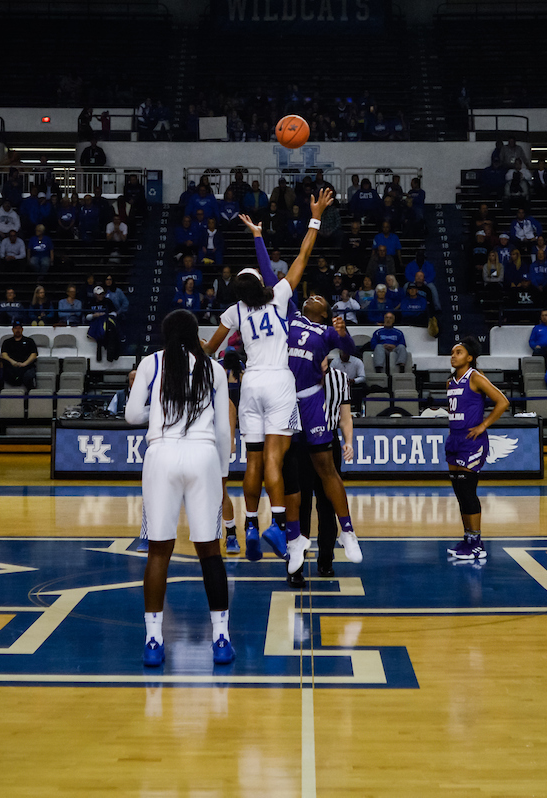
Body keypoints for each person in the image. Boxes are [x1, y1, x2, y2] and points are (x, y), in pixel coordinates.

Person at [203, 190, 333, 565]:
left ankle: (248, 527)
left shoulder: (234, 312)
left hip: (249, 385)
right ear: (259, 283)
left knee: (253, 461)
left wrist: (186, 343)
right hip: (278, 383)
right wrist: (315, 217)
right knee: (276, 459)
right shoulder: (277, 297)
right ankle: (277, 524)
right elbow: (303, 256)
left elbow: (209, 350)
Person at [126, 309, 233, 667]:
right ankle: (221, 638)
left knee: (159, 552)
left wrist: (155, 412)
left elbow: (130, 415)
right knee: (210, 552)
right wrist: (222, 471)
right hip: (203, 454)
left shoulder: (150, 364)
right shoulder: (213, 368)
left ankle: (153, 641)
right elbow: (222, 430)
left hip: (162, 455)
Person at [285, 292, 364, 574]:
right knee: (299, 500)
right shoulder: (294, 325)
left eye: (319, 298)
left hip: (325, 437)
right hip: (297, 433)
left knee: (327, 505)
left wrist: (349, 441)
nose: (313, 295)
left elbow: (345, 413)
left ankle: (327, 560)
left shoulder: (340, 377)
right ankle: (294, 563)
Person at [445, 337, 510, 561]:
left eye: (459, 352)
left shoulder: (476, 377)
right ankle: (467, 538)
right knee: (459, 493)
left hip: (471, 441)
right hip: (454, 440)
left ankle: (477, 543)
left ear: (470, 357)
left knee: (468, 491)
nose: (453, 356)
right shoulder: (451, 381)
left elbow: (502, 402)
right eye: (453, 352)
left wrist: (483, 425)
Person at [0, 322, 38, 389]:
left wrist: (24, 364)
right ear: (12, 330)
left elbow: (34, 355)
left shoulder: (29, 341)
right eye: (16, 328)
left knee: (29, 376)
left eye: (19, 328)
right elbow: (4, 355)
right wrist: (13, 362)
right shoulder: (7, 342)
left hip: (27, 367)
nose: (17, 330)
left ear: (22, 329)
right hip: (11, 367)